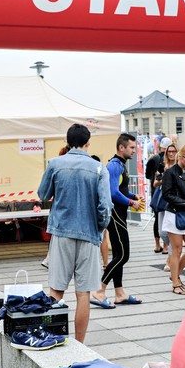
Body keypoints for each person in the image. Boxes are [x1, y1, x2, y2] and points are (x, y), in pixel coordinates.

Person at [37, 124, 112, 341]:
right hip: (89, 235)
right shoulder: (99, 169)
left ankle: (50, 337)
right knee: (83, 294)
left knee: (56, 291)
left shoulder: (55, 164)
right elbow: (105, 207)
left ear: (67, 142)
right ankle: (80, 343)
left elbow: (43, 194)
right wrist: (98, 228)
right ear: (88, 142)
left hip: (61, 232)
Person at [90, 133, 145, 309]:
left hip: (119, 214)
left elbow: (119, 189)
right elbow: (112, 193)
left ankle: (119, 293)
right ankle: (99, 291)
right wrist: (131, 202)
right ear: (121, 148)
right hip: (115, 214)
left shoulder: (120, 165)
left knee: (119, 255)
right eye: (131, 148)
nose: (134, 151)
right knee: (123, 254)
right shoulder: (114, 165)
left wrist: (131, 195)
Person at [161, 144, 185, 295]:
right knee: (176, 250)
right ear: (181, 157)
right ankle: (175, 282)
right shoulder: (170, 172)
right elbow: (167, 194)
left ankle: (175, 276)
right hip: (175, 214)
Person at [146, 137, 172, 253]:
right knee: (166, 218)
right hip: (167, 193)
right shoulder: (167, 161)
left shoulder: (154, 159)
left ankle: (157, 245)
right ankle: (166, 246)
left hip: (156, 192)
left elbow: (147, 175)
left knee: (157, 218)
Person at [157, 143, 178, 271]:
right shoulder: (162, 166)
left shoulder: (179, 167)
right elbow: (155, 182)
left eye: (174, 151)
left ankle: (170, 258)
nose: (171, 154)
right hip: (162, 201)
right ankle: (173, 251)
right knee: (162, 232)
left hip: (174, 203)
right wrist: (164, 176)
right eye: (169, 151)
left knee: (171, 233)